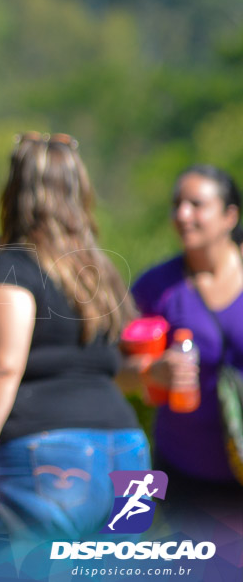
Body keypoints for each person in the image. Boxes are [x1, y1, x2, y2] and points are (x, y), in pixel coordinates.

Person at [0, 132, 148, 541]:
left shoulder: (14, 268)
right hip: (129, 451)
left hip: (47, 455)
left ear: (15, 191)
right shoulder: (101, 273)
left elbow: (1, 364)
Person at [126, 164, 243, 522]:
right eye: (177, 204)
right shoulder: (156, 287)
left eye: (196, 204)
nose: (182, 215)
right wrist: (151, 370)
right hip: (186, 475)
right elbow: (114, 372)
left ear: (229, 216)